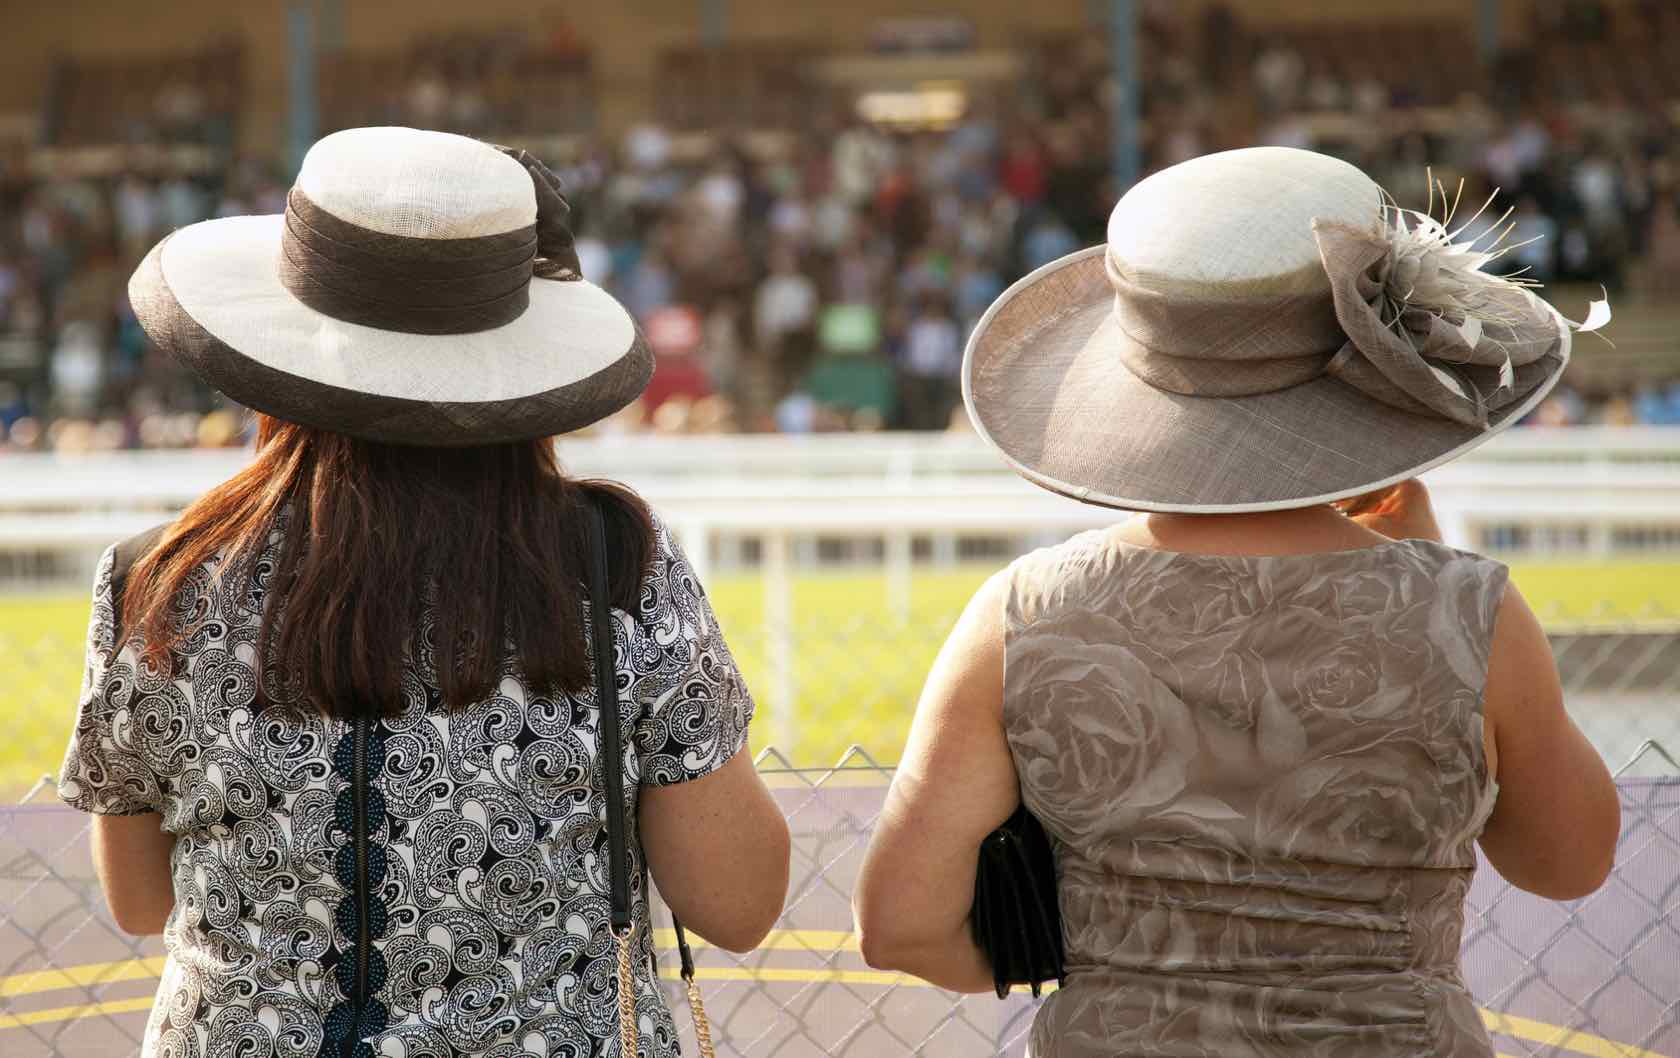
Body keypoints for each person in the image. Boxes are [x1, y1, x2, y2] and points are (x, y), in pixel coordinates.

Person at [854, 147, 1619, 1058]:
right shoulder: (1470, 612)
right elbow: (1569, 863)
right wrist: (1424, 564)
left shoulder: (1020, 616)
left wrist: (1115, 975)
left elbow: (898, 922)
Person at [57, 127, 789, 1058]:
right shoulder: (613, 566)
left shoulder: (154, 580)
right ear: (520, 367)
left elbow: (138, 899)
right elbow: (738, 901)